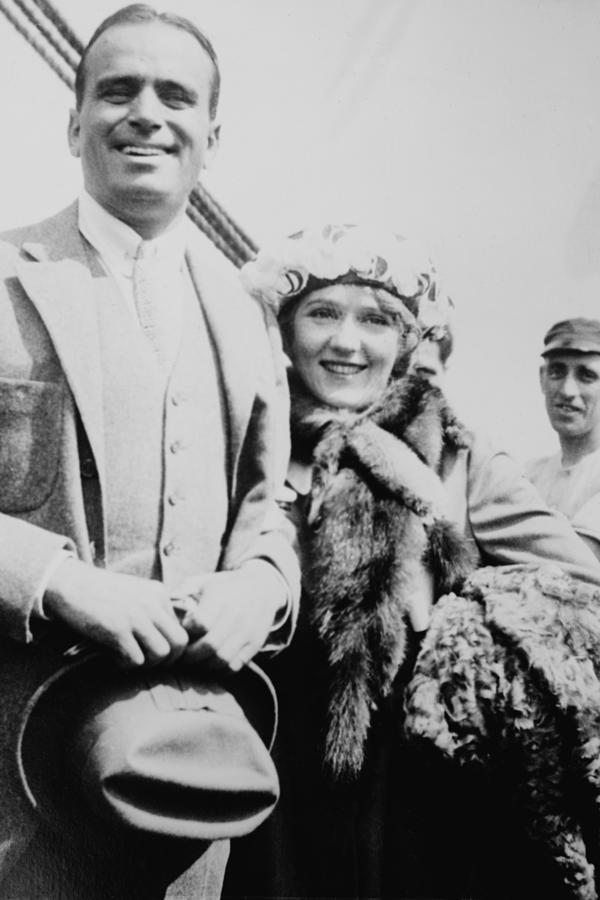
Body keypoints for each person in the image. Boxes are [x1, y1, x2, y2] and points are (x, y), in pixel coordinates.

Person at [0, 5, 299, 899]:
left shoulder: (244, 313)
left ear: (212, 132)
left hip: (182, 793)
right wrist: (57, 581)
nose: (146, 113)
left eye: (176, 95)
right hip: (12, 787)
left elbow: (266, 509)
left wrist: (265, 586)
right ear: (73, 119)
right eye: (117, 89)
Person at [223, 224, 600, 900]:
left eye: (375, 320)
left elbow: (578, 582)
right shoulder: (248, 439)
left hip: (412, 793)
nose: (347, 341)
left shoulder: (455, 452)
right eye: (322, 313)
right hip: (264, 773)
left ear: (404, 342)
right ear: (283, 327)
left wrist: (469, 624)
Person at [527, 317, 600, 560]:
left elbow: (580, 560)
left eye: (586, 376)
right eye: (557, 372)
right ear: (542, 378)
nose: (568, 391)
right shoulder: (529, 475)